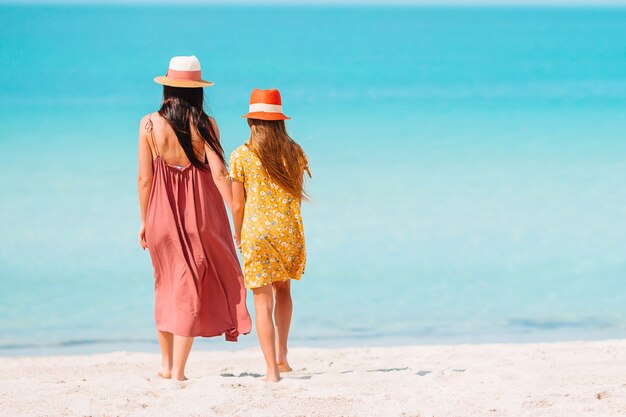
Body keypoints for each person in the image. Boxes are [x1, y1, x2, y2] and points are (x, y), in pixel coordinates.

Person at [137, 56, 251, 381]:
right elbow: (219, 173)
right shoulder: (205, 125)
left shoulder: (147, 124)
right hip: (199, 215)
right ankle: (177, 371)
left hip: (160, 215)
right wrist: (236, 214)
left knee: (166, 286)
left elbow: (144, 180)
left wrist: (145, 220)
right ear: (197, 90)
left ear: (167, 88)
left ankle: (165, 364)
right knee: (188, 288)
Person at [230, 88, 311, 382]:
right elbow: (295, 196)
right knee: (285, 291)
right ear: (280, 122)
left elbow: (238, 204)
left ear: (251, 122)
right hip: (288, 230)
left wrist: (237, 233)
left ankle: (271, 371)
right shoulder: (296, 151)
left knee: (262, 301)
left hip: (257, 233)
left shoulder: (241, 156)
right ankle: (283, 356)